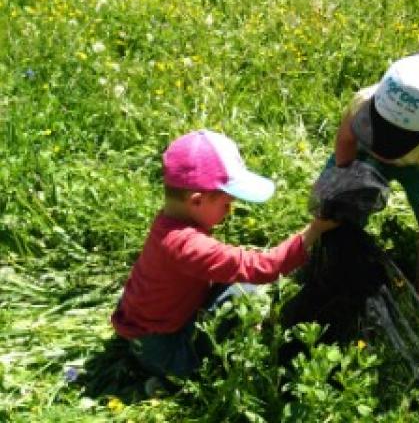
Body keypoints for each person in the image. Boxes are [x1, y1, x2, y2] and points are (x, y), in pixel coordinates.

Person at [111, 129, 337, 379]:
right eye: (226, 204)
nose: (230, 211)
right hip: (163, 348)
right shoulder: (187, 246)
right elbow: (265, 266)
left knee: (232, 282)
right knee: (244, 292)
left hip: (146, 319)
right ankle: (165, 381)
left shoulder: (169, 221)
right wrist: (315, 229)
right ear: (196, 201)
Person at [330, 51, 419, 315]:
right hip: (363, 151)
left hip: (418, 167)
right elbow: (346, 141)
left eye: (395, 138)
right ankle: (336, 253)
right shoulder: (363, 100)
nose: (385, 149)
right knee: (336, 205)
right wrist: (342, 185)